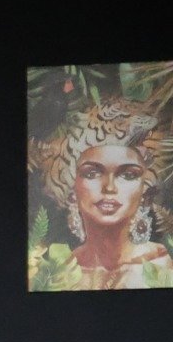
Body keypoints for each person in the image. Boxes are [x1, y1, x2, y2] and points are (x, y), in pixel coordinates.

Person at [30, 98, 172, 290]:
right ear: (73, 188)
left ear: (143, 189)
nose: (110, 187)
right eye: (92, 173)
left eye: (128, 174)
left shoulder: (163, 266)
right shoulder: (53, 272)